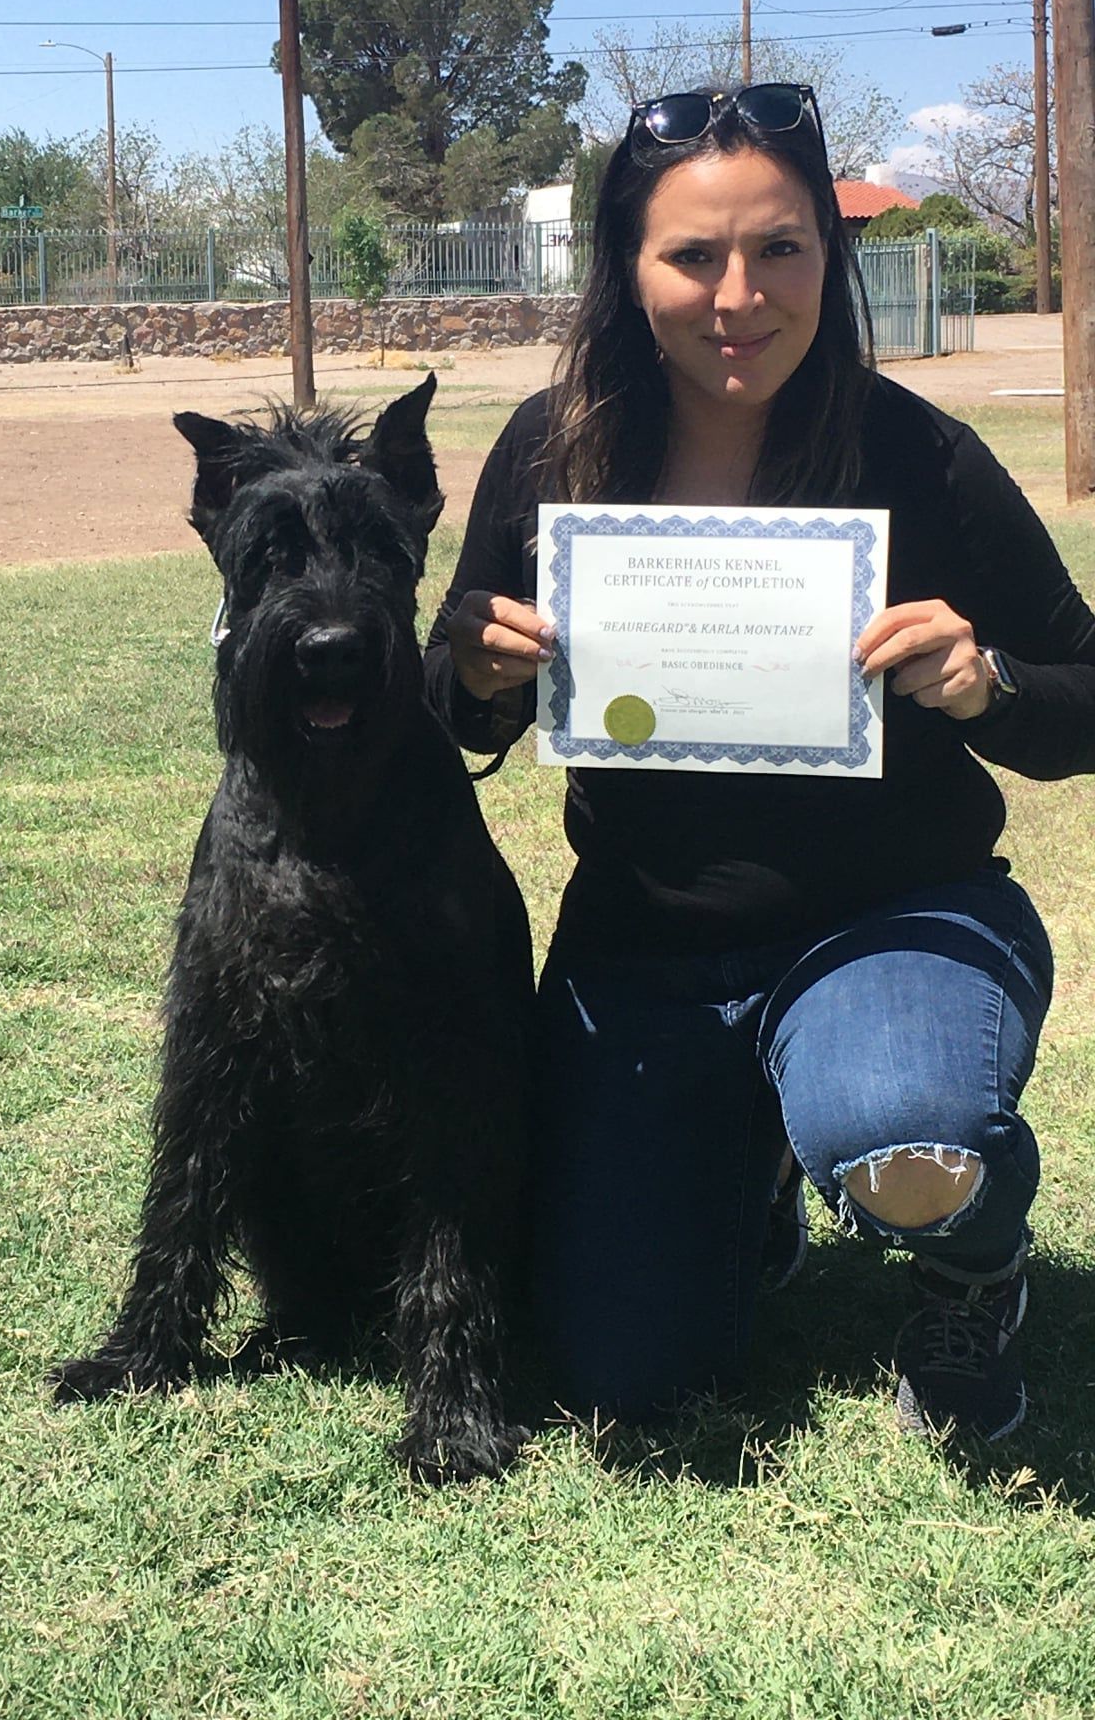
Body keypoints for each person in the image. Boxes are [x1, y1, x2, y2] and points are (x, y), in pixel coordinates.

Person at [421, 83, 1095, 1440]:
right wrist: (473, 677)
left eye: (780, 249)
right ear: (626, 268)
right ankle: (752, 1168)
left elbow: (1083, 693)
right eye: (693, 256)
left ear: (828, 259)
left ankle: (973, 1264)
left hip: (893, 924)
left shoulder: (920, 453)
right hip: (647, 954)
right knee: (622, 1373)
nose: (741, 296)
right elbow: (451, 693)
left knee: (903, 1123)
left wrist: (990, 684)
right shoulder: (556, 448)